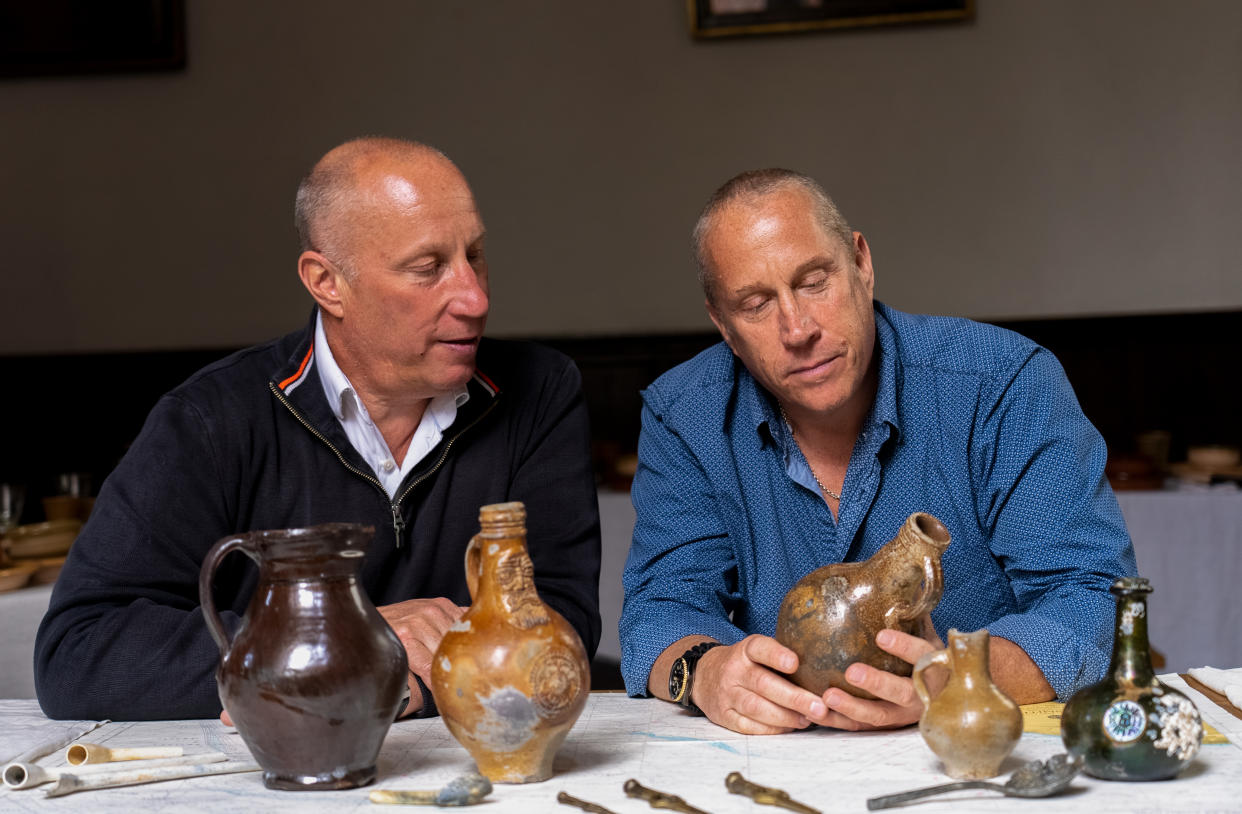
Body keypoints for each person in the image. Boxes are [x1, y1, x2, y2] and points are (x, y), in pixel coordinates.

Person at [35, 138, 601, 721]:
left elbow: (562, 622)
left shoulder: (540, 390)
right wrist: (344, 640)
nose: (476, 298)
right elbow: (78, 652)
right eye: (428, 268)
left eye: (475, 255)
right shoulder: (210, 419)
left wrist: (402, 689)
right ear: (327, 282)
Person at [619, 168, 1135, 735]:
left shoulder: (1003, 384)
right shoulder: (685, 414)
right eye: (756, 304)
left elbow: (1093, 600)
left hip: (968, 750)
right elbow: (661, 606)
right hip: (784, 757)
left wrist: (956, 676)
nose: (798, 329)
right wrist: (707, 670)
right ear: (723, 325)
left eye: (814, 281)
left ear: (861, 263)